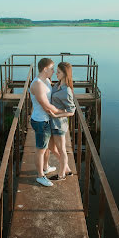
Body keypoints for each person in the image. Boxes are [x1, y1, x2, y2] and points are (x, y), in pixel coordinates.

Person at [30, 58, 65, 187]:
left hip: (46, 119)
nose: (53, 71)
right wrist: (62, 111)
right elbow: (46, 105)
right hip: (40, 121)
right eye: (51, 68)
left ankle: (45, 167)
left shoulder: (46, 81)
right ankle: (40, 176)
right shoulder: (37, 84)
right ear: (45, 69)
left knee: (47, 148)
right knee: (41, 149)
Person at [48, 62, 76, 181]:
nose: (56, 74)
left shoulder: (67, 91)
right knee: (51, 148)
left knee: (62, 150)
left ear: (65, 74)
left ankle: (61, 175)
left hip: (59, 124)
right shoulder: (57, 85)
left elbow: (72, 111)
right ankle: (67, 169)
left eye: (58, 72)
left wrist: (57, 113)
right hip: (52, 122)